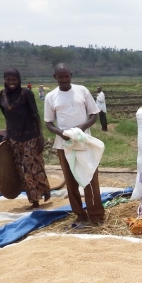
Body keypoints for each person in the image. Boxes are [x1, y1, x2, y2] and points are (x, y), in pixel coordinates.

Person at [44, 63, 105, 227]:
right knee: (71, 182)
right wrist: (60, 132)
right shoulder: (51, 97)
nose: (64, 80)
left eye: (66, 76)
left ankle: (96, 215)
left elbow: (94, 114)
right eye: (60, 77)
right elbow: (48, 123)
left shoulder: (82, 91)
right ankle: (80, 215)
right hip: (64, 145)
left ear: (71, 75)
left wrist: (82, 128)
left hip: (84, 142)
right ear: (55, 77)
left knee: (90, 177)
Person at [0, 68, 51, 208]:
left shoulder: (26, 93)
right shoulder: (2, 95)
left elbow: (35, 115)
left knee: (32, 167)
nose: (11, 82)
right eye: (8, 79)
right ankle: (34, 199)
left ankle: (42, 193)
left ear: (19, 80)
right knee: (21, 169)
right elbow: (7, 116)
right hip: (14, 138)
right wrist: (7, 133)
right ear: (4, 80)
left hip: (30, 136)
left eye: (14, 79)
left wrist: (40, 136)